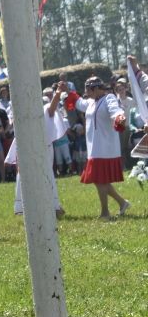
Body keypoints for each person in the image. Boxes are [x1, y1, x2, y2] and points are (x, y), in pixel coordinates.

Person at [65, 76, 130, 220]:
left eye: (87, 89)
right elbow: (78, 102)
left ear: (95, 88)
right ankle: (122, 202)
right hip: (94, 147)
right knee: (100, 180)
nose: (85, 92)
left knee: (99, 180)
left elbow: (116, 111)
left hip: (105, 147)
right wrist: (66, 90)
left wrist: (119, 118)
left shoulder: (109, 98)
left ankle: (105, 213)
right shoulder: (90, 102)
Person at [7, 89, 68, 218]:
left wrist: (57, 94)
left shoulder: (44, 110)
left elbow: (51, 108)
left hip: (43, 147)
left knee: (45, 174)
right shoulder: (21, 110)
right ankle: (23, 208)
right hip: (26, 146)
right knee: (24, 175)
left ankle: (53, 206)